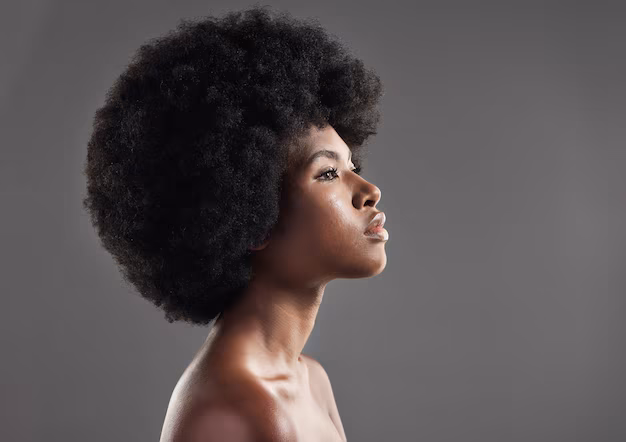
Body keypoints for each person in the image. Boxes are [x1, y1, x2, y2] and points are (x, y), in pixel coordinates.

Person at [82, 5, 387, 441]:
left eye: (352, 166)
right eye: (327, 173)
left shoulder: (310, 381)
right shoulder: (232, 408)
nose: (369, 190)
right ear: (253, 218)